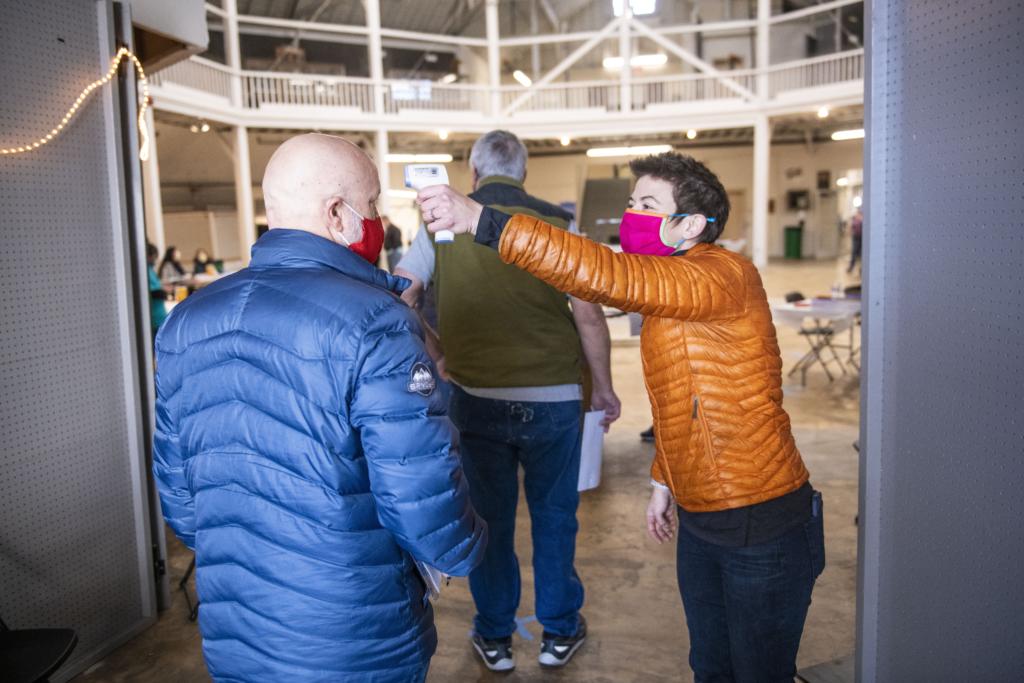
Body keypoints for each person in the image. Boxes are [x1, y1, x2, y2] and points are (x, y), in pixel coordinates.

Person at [417, 152, 825, 682]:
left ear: (692, 224)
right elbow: (688, 398)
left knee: (758, 671)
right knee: (710, 666)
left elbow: (605, 275)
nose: (632, 214)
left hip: (762, 517)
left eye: (648, 205)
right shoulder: (671, 286)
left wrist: (482, 221)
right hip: (704, 518)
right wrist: (665, 479)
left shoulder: (724, 274)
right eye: (632, 203)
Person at [153, 133, 487, 683]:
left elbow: (183, 502)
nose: (377, 219)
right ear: (338, 213)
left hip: (235, 625)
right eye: (373, 204)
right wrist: (471, 546)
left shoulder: (187, 321)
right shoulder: (376, 322)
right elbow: (420, 497)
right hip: (355, 633)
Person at [395, 130, 620, 672]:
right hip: (556, 399)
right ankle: (559, 632)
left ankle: (494, 637)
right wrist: (605, 387)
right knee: (556, 516)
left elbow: (401, 294)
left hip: (476, 397)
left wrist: (437, 353)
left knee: (490, 521)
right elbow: (588, 315)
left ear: (473, 176)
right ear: (523, 174)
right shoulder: (559, 224)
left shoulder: (440, 225)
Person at [146, 242, 168, 342]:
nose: (155, 259)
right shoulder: (143, 270)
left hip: (159, 316)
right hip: (153, 317)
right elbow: (151, 292)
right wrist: (163, 293)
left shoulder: (150, 269)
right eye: (153, 256)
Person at [847, 206, 863, 274]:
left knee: (862, 254)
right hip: (855, 237)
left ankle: (861, 269)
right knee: (854, 253)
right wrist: (850, 232)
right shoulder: (854, 218)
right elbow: (850, 227)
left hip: (862, 238)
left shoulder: (862, 218)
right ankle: (851, 267)